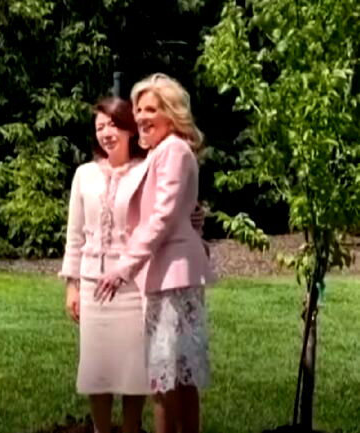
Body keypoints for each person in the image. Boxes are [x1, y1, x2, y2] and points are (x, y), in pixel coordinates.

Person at [97, 73, 215, 433]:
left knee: (169, 377)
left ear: (171, 115)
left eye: (151, 109)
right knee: (173, 376)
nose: (142, 116)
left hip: (172, 275)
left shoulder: (173, 151)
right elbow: (172, 212)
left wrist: (123, 269)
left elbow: (161, 217)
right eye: (138, 109)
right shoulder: (161, 153)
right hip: (165, 274)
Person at [60, 96, 150, 433]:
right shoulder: (84, 175)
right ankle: (100, 429)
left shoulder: (146, 171)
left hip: (134, 286)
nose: (106, 133)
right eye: (99, 127)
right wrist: (72, 285)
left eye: (112, 125)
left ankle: (131, 428)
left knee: (133, 370)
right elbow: (74, 234)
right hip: (93, 286)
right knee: (96, 368)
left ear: (129, 128)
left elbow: (163, 219)